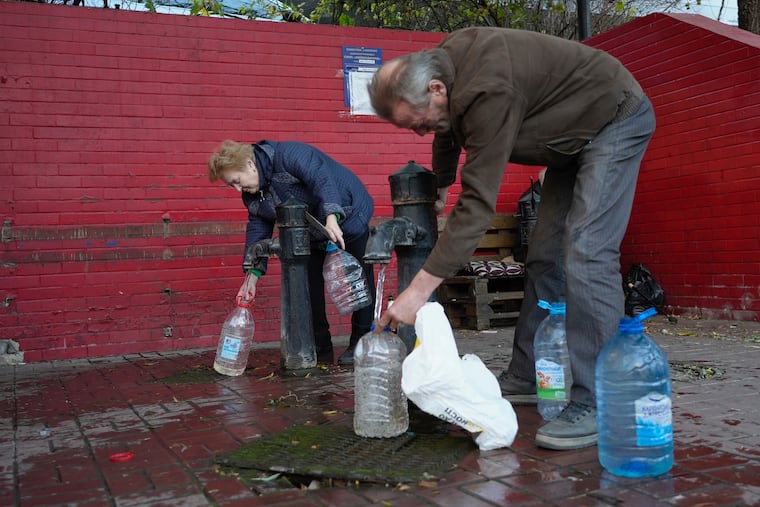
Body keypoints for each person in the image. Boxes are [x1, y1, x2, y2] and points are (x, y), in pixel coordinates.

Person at [368, 27, 656, 450]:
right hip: (569, 144)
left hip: (614, 120)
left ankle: (599, 399)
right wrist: (443, 179)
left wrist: (417, 291)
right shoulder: (445, 66)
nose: (420, 133)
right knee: (543, 256)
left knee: (587, 249)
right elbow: (446, 128)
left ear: (435, 89)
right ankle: (527, 373)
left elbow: (478, 206)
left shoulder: (486, 89)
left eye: (419, 123)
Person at [207, 139, 376, 366]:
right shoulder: (254, 195)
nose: (238, 189)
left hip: (348, 214)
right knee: (309, 288)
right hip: (311, 231)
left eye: (237, 181)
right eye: (232, 186)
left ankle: (360, 342)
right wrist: (252, 276)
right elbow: (259, 230)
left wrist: (332, 217)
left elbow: (321, 177)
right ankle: (320, 346)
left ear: (250, 164)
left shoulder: (289, 155)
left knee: (358, 282)